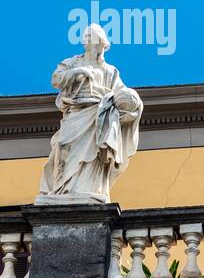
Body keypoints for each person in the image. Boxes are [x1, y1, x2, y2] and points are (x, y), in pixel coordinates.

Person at [37, 24, 142, 203]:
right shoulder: (73, 62)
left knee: (96, 155)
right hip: (76, 112)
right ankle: (62, 191)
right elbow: (56, 79)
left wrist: (134, 102)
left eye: (101, 46)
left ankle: (91, 189)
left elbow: (121, 93)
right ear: (88, 44)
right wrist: (78, 72)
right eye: (95, 44)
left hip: (100, 116)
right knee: (63, 147)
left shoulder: (110, 71)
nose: (99, 51)